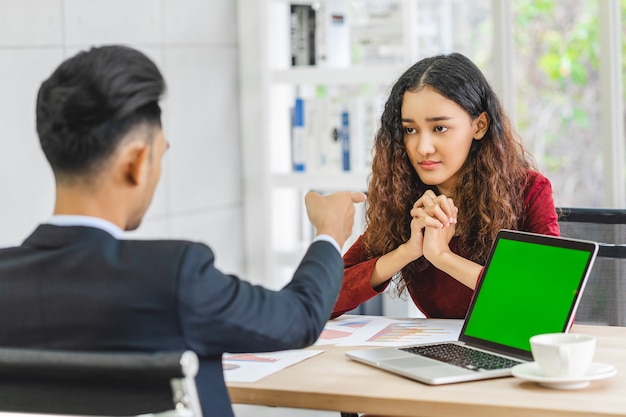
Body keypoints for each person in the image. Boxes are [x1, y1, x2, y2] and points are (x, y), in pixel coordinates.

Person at [0, 45, 366, 417]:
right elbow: (297, 318)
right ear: (137, 162)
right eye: (160, 154)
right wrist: (329, 231)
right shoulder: (173, 276)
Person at [332, 52, 559, 320]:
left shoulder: (528, 191)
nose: (423, 148)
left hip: (512, 353)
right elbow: (324, 298)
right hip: (437, 351)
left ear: (479, 126)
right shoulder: (406, 198)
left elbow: (549, 305)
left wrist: (442, 256)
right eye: (410, 130)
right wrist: (406, 251)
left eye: (439, 128)